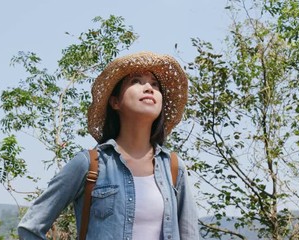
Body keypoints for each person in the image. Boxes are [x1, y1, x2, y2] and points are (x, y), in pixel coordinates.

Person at [18, 51, 199, 239]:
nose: (148, 88)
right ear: (115, 102)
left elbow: (190, 235)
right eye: (136, 81)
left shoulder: (173, 168)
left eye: (155, 84)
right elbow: (30, 227)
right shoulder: (89, 164)